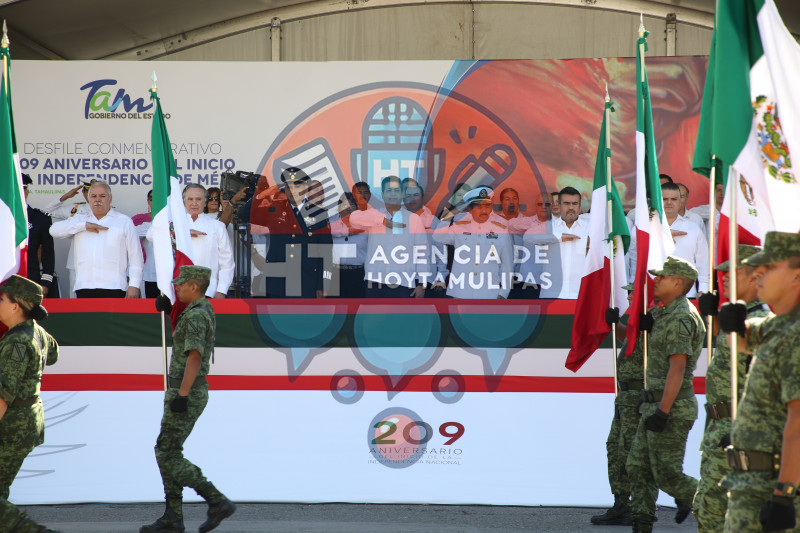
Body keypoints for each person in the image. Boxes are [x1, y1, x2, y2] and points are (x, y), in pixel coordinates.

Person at [716, 231, 800, 532]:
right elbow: (744, 339)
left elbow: (798, 421)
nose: (759, 273)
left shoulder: (796, 335)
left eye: (771, 266)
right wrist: (731, 322)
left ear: (796, 276)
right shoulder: (780, 326)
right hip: (752, 483)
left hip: (775, 484)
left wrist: (784, 494)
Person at [143, 266, 235, 533]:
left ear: (194, 287)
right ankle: (173, 516)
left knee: (167, 452)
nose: (177, 288)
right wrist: (169, 308)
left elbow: (194, 356)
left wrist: (182, 395)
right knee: (168, 451)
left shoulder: (196, 316)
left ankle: (215, 499)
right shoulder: (197, 310)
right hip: (185, 389)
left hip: (187, 391)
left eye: (181, 285)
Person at [692, 245, 769, 533]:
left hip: (738, 430)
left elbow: (762, 385)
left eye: (732, 271)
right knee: (707, 511)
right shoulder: (734, 316)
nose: (722, 276)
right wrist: (713, 318)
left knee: (723, 517)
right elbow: (728, 359)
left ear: (755, 277)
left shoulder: (758, 322)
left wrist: (741, 426)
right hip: (718, 426)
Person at [626, 256, 706, 533]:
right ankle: (642, 523)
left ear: (679, 282)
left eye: (662, 277)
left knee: (668, 476)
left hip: (671, 405)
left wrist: (663, 411)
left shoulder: (682, 316)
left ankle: (715, 506)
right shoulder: (666, 311)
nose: (656, 281)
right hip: (655, 402)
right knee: (637, 466)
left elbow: (678, 367)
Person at [0, 275, 62, 533]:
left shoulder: (17, 340)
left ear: (16, 306)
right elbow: (54, 354)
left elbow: (4, 394)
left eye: (1, 299)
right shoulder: (35, 331)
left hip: (13, 424)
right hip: (28, 421)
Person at [591, 284, 643, 527]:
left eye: (633, 292)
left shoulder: (655, 319)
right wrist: (617, 325)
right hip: (624, 395)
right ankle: (622, 503)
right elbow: (630, 339)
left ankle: (642, 506)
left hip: (640, 395)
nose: (629, 295)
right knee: (615, 449)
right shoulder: (636, 320)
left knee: (633, 454)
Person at [49, 181, 142, 298]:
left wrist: (134, 284)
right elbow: (54, 230)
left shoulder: (124, 221)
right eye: (93, 196)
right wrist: (84, 226)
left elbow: (136, 256)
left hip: (114, 287)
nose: (98, 199)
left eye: (102, 196)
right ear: (89, 199)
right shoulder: (79, 219)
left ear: (110, 198)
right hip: (85, 286)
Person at [250, 167, 332, 298]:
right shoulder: (274, 209)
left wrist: (323, 285)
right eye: (288, 187)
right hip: (278, 281)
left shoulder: (318, 213)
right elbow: (246, 215)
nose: (292, 191)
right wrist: (264, 194)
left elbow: (325, 252)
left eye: (297, 186)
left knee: (304, 318)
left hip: (307, 281)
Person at [349, 175, 430, 298]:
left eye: (396, 190)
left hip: (404, 282)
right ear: (382, 194)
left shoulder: (413, 219)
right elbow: (353, 218)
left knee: (399, 318)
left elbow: (422, 252)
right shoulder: (373, 215)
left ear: (402, 193)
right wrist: (383, 221)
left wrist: (422, 284)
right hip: (375, 282)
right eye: (389, 190)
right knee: (374, 317)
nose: (393, 194)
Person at [432, 186, 513, 299]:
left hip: (489, 293)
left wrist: (503, 293)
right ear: (470, 209)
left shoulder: (501, 230)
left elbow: (507, 265)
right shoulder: (459, 227)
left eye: (487, 206)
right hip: (461, 292)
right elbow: (438, 237)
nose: (484, 211)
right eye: (479, 207)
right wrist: (449, 215)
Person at [523, 186, 588, 299]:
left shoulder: (590, 226)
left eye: (575, 203)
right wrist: (559, 237)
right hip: (552, 294)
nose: (571, 207)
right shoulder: (550, 226)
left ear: (580, 205)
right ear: (558, 206)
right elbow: (527, 237)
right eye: (567, 203)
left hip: (581, 293)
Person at [178, 184, 234, 299]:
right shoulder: (175, 224)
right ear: (184, 202)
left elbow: (227, 262)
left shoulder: (217, 226)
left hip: (208, 290)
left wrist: (222, 290)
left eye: (198, 199)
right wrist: (182, 233)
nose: (194, 203)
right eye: (190, 199)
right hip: (178, 290)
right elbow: (151, 235)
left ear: (205, 202)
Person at [42, 179, 96, 297]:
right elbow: (45, 212)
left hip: (98, 261)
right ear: (83, 193)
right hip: (76, 260)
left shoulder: (108, 211)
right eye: (89, 191)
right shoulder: (75, 209)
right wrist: (65, 197)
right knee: (74, 296)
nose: (92, 195)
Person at [402, 178, 448, 296]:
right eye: (408, 195)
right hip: (401, 279)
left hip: (428, 279)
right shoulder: (395, 220)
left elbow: (441, 251)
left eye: (416, 195)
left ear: (422, 197)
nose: (412, 199)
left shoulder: (433, 221)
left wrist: (441, 277)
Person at [22, 175, 58, 298]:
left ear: (27, 192)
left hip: (31, 279)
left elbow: (48, 253)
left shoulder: (40, 219)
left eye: (22, 190)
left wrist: (45, 282)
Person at [330, 191, 368, 298]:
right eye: (344, 205)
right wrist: (348, 231)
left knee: (356, 310)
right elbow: (328, 230)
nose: (348, 209)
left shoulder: (365, 223)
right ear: (338, 208)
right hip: (335, 273)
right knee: (335, 310)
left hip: (358, 273)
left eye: (351, 205)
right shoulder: (331, 221)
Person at [132, 190, 158, 298]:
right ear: (148, 201)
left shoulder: (175, 221)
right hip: (150, 273)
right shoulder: (141, 221)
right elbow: (130, 237)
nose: (156, 201)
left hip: (173, 275)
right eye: (152, 198)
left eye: (159, 198)